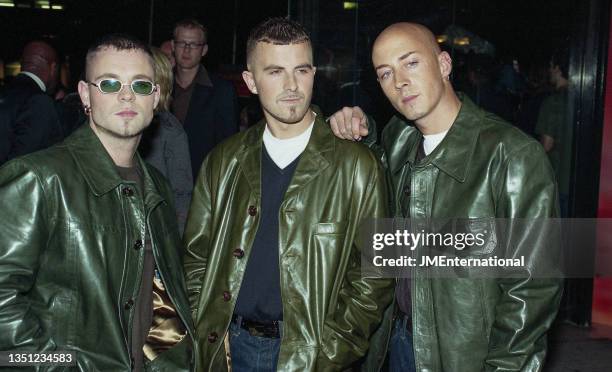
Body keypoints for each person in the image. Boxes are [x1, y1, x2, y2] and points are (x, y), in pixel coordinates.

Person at [329, 22, 562, 372]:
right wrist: (358, 127)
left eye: (411, 63)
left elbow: (532, 290)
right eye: (385, 73)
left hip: (465, 357)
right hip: (395, 344)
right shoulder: (397, 139)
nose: (400, 81)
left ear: (444, 65)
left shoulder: (511, 155)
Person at [184, 18, 393, 372]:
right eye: (275, 71)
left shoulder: (358, 166)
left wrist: (329, 351)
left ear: (314, 73)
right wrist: (204, 328)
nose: (292, 85)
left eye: (302, 70)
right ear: (251, 81)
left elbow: (377, 275)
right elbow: (195, 259)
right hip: (227, 349)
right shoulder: (223, 161)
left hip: (313, 354)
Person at [0, 34, 194, 371]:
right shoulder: (39, 179)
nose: (126, 95)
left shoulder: (157, 187)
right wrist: (58, 366)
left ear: (156, 97)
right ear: (85, 94)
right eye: (109, 83)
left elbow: (163, 302)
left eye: (141, 85)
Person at [171, 18, 238, 179]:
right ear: (173, 46)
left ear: (204, 50)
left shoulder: (222, 91)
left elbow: (229, 147)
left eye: (194, 44)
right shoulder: (159, 87)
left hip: (201, 182)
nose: (187, 50)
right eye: (182, 43)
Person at [140, 47, 193, 233]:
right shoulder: (125, 122)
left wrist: (172, 248)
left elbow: (182, 194)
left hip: (154, 235)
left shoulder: (170, 130)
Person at [0, 40, 63, 165]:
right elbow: (21, 168)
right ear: (53, 68)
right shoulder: (39, 102)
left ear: (23, 63)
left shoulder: (4, 92)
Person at [535, 48, 572, 217]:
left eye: (551, 66)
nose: (549, 70)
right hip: (574, 178)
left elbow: (546, 146)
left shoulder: (553, 102)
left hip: (557, 178)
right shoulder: (577, 98)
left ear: (557, 68)